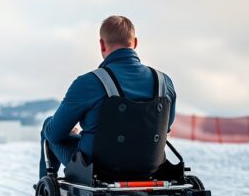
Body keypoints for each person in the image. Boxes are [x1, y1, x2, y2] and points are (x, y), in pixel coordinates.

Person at [39, 15, 177, 178]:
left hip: (96, 169)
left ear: (102, 45)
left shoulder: (89, 83)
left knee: (48, 127)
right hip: (149, 166)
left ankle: (44, 189)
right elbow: (165, 127)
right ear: (135, 43)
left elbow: (54, 135)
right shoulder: (164, 83)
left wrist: (71, 134)